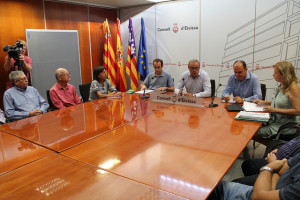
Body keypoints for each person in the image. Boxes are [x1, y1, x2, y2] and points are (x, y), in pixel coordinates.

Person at [207, 152, 300, 200]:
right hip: (252, 192)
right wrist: (269, 189)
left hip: (255, 195)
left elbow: (258, 197)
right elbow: (280, 171)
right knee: (209, 185)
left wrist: (268, 168)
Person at [253, 61, 300, 144]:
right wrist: (263, 102)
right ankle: (274, 147)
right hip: (275, 121)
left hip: (284, 126)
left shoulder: (293, 88)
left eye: (276, 73)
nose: (273, 75)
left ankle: (276, 148)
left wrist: (274, 110)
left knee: (253, 133)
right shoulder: (282, 86)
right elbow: (280, 102)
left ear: (284, 74)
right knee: (252, 126)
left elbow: (298, 111)